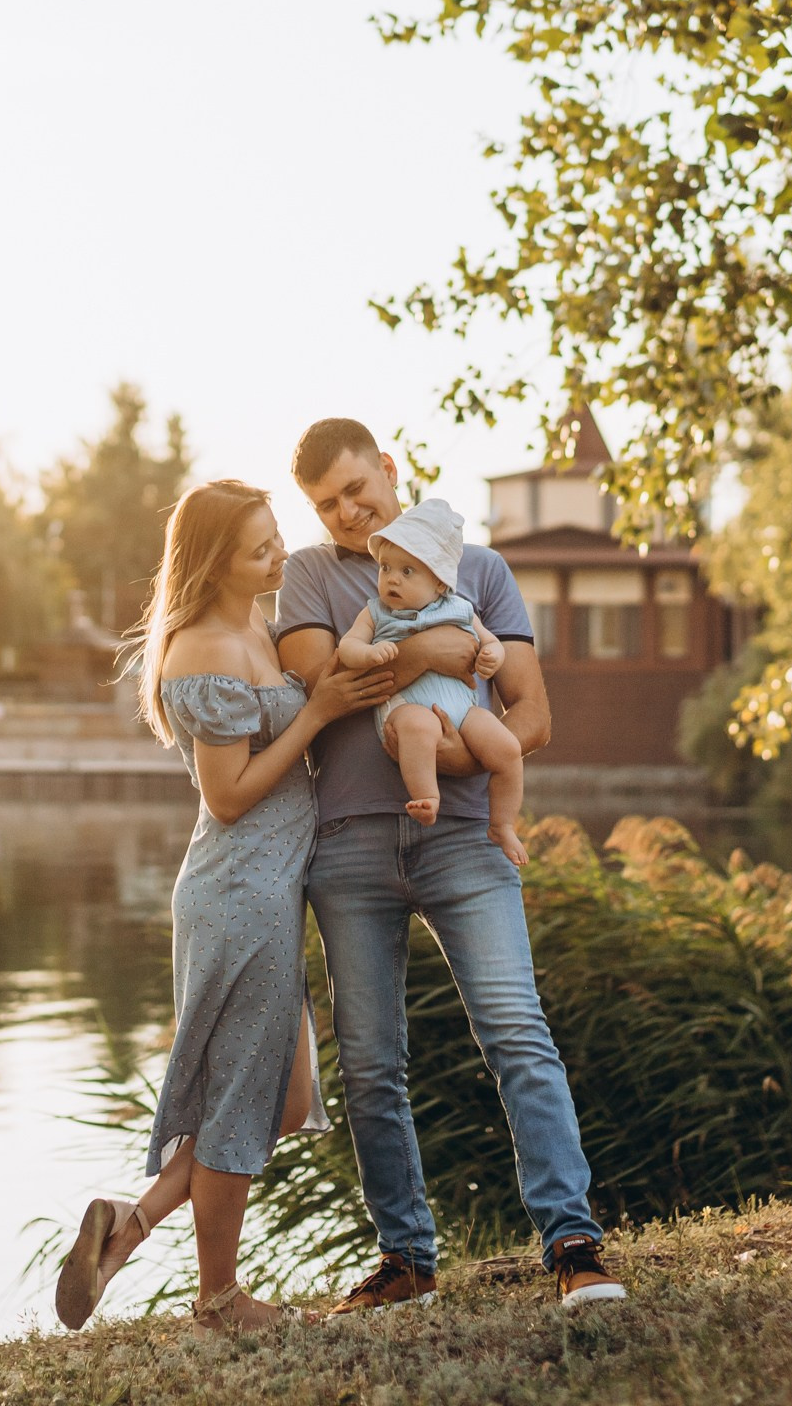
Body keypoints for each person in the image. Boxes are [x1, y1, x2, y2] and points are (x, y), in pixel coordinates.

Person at [276, 419, 627, 1313]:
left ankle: (573, 1243)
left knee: (517, 1032)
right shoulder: (309, 576)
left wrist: (456, 756)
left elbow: (531, 715)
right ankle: (407, 1262)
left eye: (357, 490)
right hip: (349, 844)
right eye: (326, 503)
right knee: (370, 1063)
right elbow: (325, 689)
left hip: (465, 836)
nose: (347, 513)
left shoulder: (483, 570)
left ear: (389, 469)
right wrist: (428, 655)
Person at [51, 479, 394, 1334]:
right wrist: (317, 712)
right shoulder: (206, 648)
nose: (280, 555)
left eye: (277, 537)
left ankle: (127, 1227)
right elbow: (230, 796)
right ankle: (219, 1300)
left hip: (269, 891)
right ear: (213, 564)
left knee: (284, 1102)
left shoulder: (256, 627)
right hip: (241, 893)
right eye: (259, 549)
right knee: (244, 1102)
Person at [332, 498, 528, 866]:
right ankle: (427, 797)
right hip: (406, 707)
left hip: (464, 710)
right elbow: (348, 647)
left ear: (439, 582)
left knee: (507, 748)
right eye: (386, 567)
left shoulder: (461, 609)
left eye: (407, 571)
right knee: (419, 728)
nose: (391, 578)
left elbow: (491, 643)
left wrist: (491, 656)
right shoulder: (376, 612)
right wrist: (368, 654)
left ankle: (502, 824)